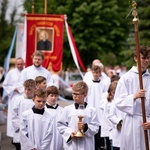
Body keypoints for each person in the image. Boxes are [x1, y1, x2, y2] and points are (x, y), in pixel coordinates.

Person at [114, 45, 150, 150]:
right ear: (136, 58)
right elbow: (118, 101)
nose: (146, 60)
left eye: (148, 58)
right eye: (143, 58)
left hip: (147, 121)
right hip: (132, 121)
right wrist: (134, 96)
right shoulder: (126, 78)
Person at [57, 81, 99, 150]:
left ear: (84, 95)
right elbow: (61, 125)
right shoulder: (67, 109)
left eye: (77, 94)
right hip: (72, 144)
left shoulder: (91, 110)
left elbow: (96, 127)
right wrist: (70, 133)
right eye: (73, 93)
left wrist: (85, 127)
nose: (74, 96)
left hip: (86, 144)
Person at [85, 65, 106, 150]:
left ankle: (99, 146)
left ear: (100, 73)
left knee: (100, 126)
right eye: (94, 72)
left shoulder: (103, 84)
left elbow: (105, 96)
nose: (96, 74)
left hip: (100, 108)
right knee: (91, 125)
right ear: (92, 72)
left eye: (97, 72)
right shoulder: (88, 83)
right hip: (90, 106)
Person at [3, 57, 24, 138]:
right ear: (15, 64)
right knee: (13, 115)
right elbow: (5, 84)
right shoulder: (11, 73)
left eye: (21, 64)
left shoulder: (26, 72)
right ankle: (13, 134)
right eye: (18, 64)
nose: (19, 65)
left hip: (23, 96)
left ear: (23, 64)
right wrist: (13, 89)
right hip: (14, 97)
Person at [12, 79, 36, 150]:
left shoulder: (37, 101)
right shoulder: (18, 100)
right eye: (25, 89)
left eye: (29, 89)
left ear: (35, 88)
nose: (26, 91)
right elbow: (14, 115)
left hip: (33, 130)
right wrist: (19, 127)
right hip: (20, 129)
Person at [45, 85, 64, 150]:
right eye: (51, 95)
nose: (54, 98)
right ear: (47, 96)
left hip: (58, 139)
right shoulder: (43, 110)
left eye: (55, 96)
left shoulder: (62, 110)